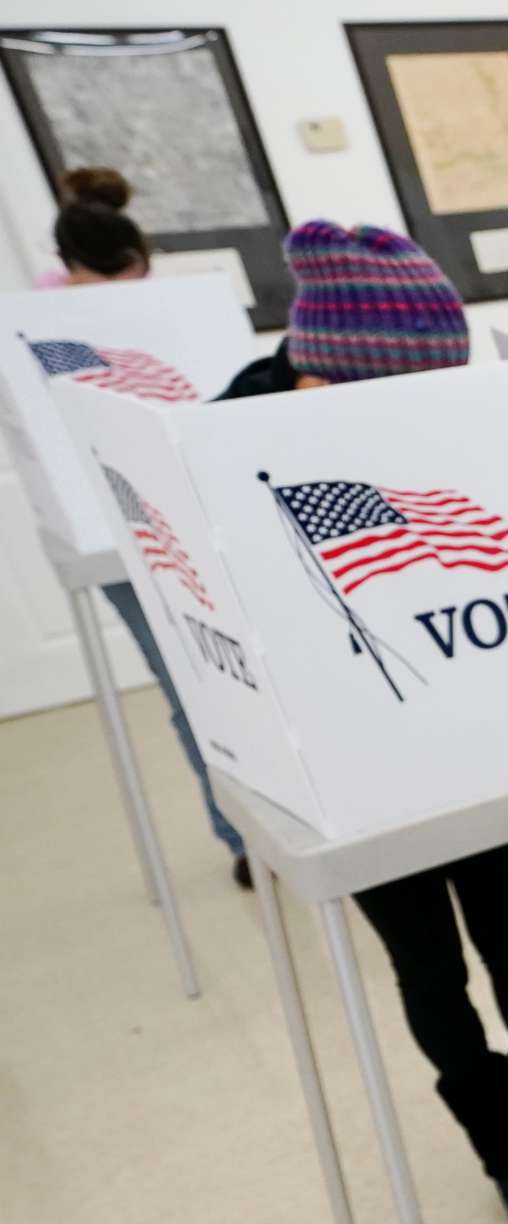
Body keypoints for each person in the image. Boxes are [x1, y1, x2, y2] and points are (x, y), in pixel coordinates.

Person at [220, 221, 508, 1224]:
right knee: (430, 968)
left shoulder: (434, 422)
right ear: (322, 371)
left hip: (472, 733)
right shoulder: (226, 448)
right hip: (353, 767)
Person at [43, 166, 251, 883]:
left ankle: (271, 815)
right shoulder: (32, 325)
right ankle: (241, 836)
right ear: (67, 272)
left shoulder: (174, 307)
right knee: (183, 684)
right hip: (113, 529)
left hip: (193, 516)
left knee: (239, 669)